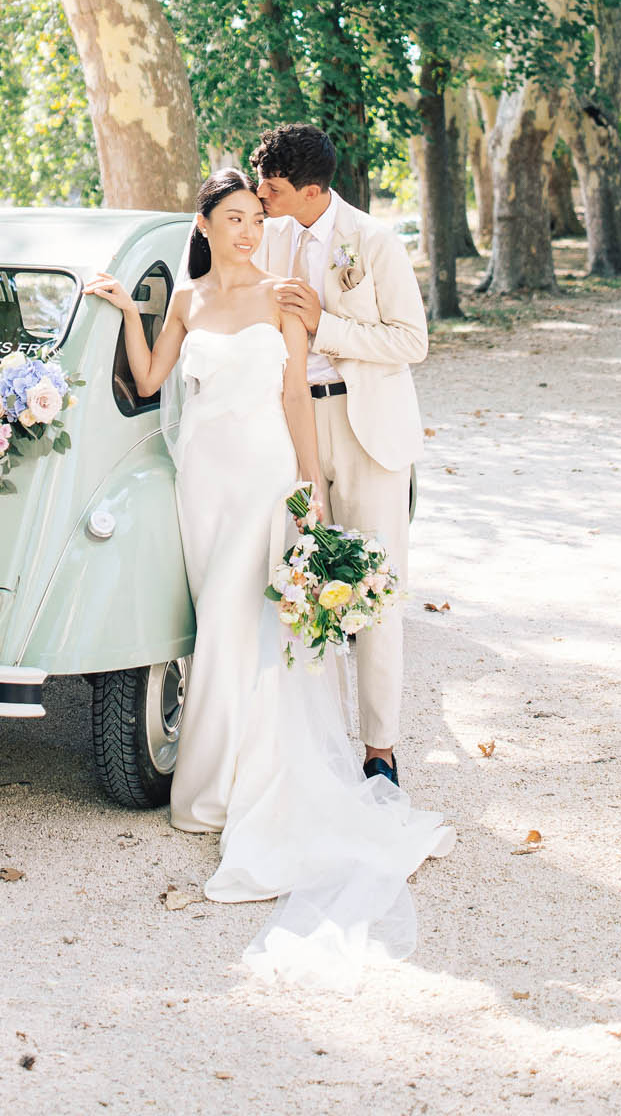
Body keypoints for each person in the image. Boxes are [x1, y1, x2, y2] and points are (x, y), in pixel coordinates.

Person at [86, 166, 452, 986]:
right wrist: (120, 313)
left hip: (262, 473)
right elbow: (149, 383)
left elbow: (295, 395)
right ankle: (214, 770)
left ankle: (229, 786)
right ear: (206, 225)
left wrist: (311, 488)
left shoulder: (285, 296)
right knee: (208, 619)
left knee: (237, 619)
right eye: (236, 218)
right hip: (200, 479)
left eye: (257, 216)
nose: (250, 230)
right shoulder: (187, 300)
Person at [251, 122, 428, 788]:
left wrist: (326, 323)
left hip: (367, 432)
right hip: (289, 426)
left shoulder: (373, 242)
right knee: (303, 582)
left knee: (375, 588)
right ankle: (319, 743)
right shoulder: (264, 236)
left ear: (311, 190)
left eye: (271, 190)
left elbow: (411, 342)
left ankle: (380, 749)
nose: (262, 201)